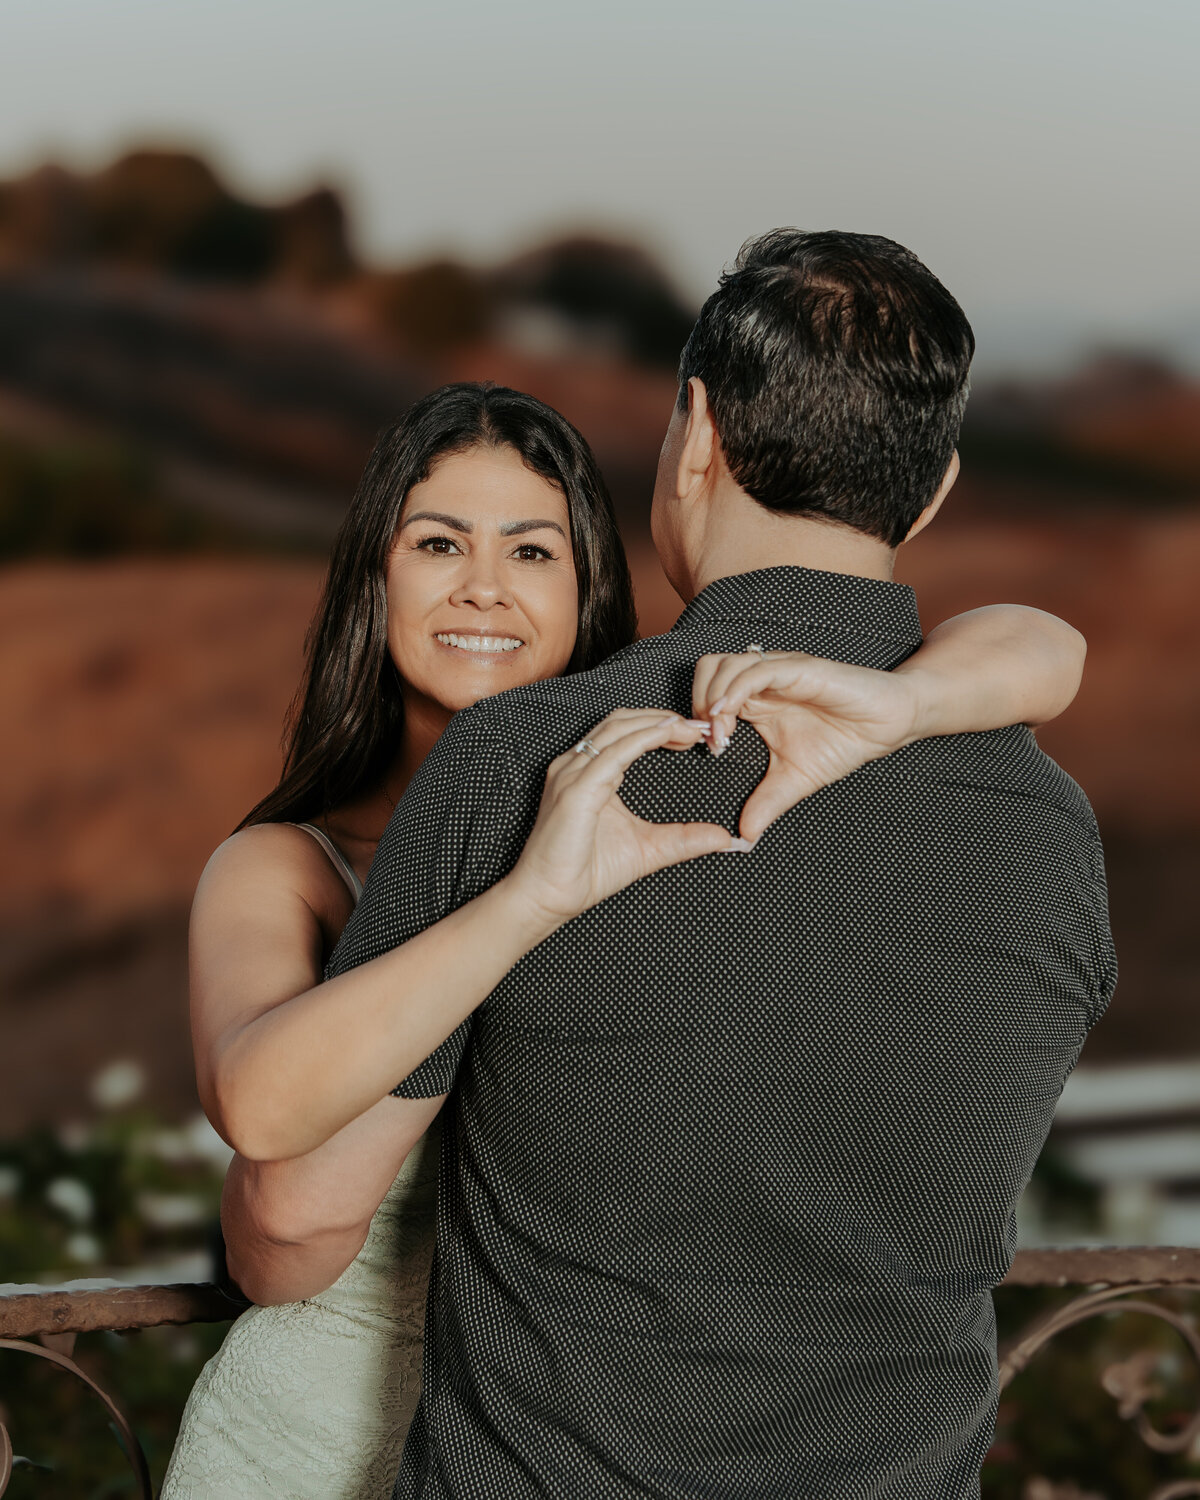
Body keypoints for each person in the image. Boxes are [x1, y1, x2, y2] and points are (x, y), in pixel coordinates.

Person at [168, 368, 1088, 1496]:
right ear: (377, 573)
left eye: (534, 551)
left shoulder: (666, 753)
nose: (486, 591)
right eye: (440, 545)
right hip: (319, 1436)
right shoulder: (282, 866)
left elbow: (1045, 645)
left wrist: (911, 702)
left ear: (591, 575)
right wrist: (521, 906)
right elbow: (275, 1237)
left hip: (538, 1432)